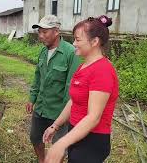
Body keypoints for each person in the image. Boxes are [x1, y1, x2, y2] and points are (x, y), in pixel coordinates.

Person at [42, 15, 119, 163]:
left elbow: (93, 117)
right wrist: (56, 125)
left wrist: (62, 143)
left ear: (95, 41)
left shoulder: (102, 70)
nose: (74, 43)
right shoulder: (83, 66)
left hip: (92, 139)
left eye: (78, 39)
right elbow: (74, 100)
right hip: (77, 132)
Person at [26, 15, 80, 163]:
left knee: (58, 145)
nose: (40, 36)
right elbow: (38, 77)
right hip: (41, 108)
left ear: (56, 31)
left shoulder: (70, 53)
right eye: (39, 32)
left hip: (59, 111)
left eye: (45, 32)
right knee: (35, 137)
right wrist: (32, 98)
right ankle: (42, 160)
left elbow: (71, 87)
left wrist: (63, 117)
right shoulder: (43, 52)